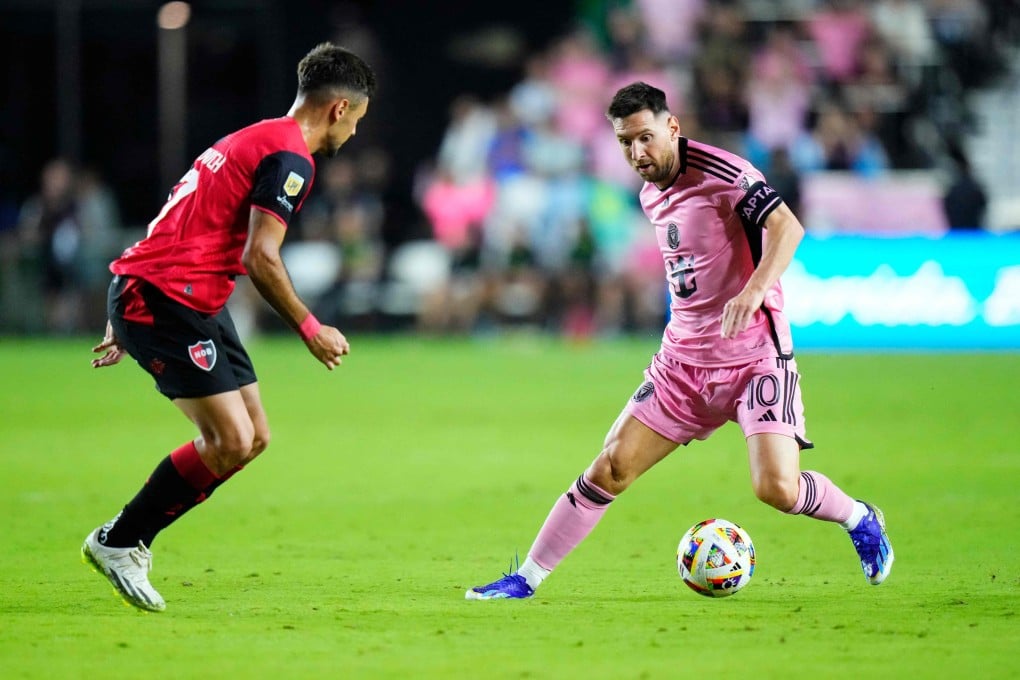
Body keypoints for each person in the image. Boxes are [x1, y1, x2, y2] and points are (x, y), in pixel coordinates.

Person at [466, 82, 893, 600]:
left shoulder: (724, 173)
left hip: (754, 357)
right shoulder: (650, 191)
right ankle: (526, 579)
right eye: (625, 143)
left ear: (672, 126)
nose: (637, 153)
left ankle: (860, 517)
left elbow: (788, 228)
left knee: (776, 488)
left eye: (646, 138)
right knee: (611, 467)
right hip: (683, 363)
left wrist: (754, 291)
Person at [81, 42, 377, 612]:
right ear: (339, 109)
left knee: (253, 439)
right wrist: (309, 326)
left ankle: (127, 537)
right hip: (165, 297)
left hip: (186, 295)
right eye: (358, 120)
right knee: (230, 440)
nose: (355, 133)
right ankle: (121, 540)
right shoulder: (292, 159)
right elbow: (260, 257)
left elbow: (180, 209)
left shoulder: (254, 136)